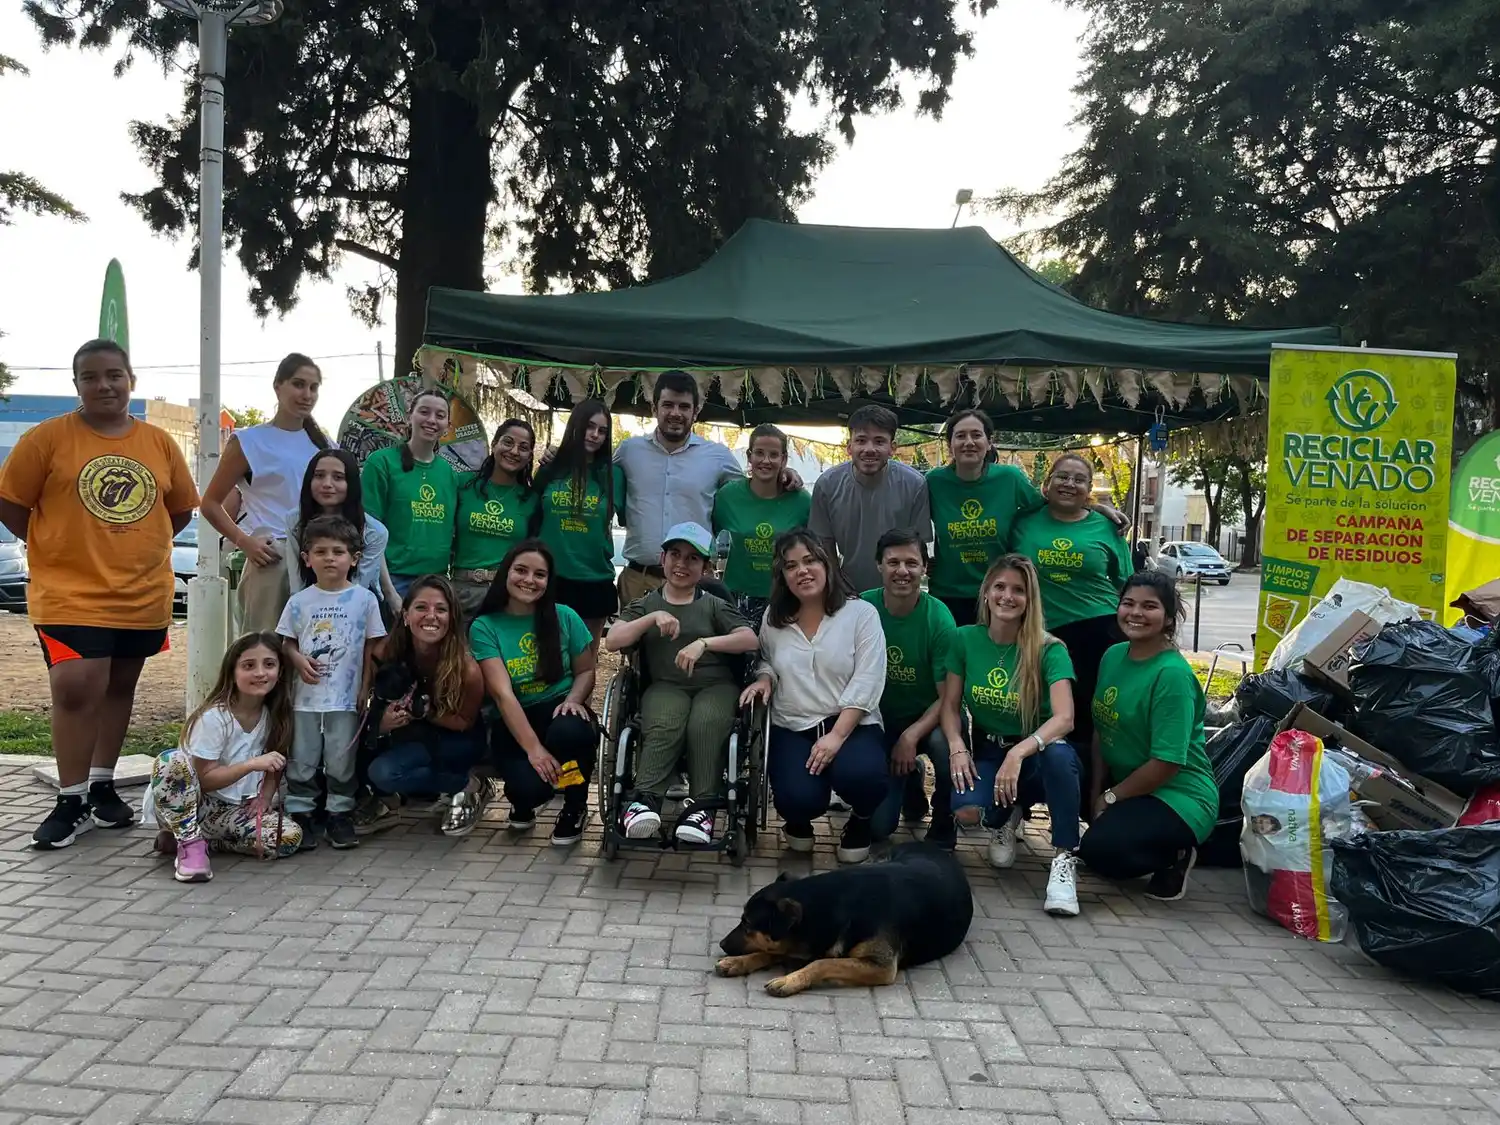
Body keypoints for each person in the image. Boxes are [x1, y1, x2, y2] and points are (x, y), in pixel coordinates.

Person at [0, 339, 199, 849]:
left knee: (117, 687)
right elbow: (12, 503)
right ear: (77, 386)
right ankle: (71, 800)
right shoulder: (47, 439)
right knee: (74, 686)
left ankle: (103, 787)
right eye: (91, 377)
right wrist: (56, 543)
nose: (104, 384)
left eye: (114, 374)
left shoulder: (158, 443)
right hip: (69, 592)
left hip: (141, 594)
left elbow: (177, 510)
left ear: (130, 379)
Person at [939, 555, 1083, 915]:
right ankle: (1007, 815)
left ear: (1029, 600)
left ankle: (1065, 857)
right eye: (999, 587)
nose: (1007, 596)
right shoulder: (963, 639)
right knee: (969, 811)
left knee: (1060, 757)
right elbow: (950, 706)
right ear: (986, 592)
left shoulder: (1050, 648)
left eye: (1018, 590)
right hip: (990, 748)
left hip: (1038, 752)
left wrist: (1019, 753)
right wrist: (957, 746)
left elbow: (1065, 718)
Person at [741, 529, 888, 864]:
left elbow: (869, 677)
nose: (802, 571)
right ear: (783, 576)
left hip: (851, 721)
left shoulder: (860, 614)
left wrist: (836, 736)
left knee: (863, 777)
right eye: (791, 566)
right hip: (793, 724)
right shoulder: (773, 619)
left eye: (810, 561)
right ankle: (797, 818)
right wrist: (764, 677)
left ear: (828, 563)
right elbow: (765, 657)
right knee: (797, 798)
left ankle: (860, 821)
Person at [606, 522, 758, 845]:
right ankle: (643, 803)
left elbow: (749, 639)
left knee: (707, 722)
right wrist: (651, 619)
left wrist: (705, 643)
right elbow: (613, 641)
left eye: (692, 558)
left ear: (705, 567)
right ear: (662, 559)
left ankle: (702, 809)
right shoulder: (647, 603)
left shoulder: (713, 604)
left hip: (715, 686)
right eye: (675, 554)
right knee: (664, 716)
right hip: (665, 685)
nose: (681, 564)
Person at [1080, 570, 1218, 902]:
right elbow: (1102, 727)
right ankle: (1121, 828)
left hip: (1178, 795)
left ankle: (1176, 855)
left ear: (1169, 618)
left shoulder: (1172, 676)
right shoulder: (1113, 655)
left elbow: (1168, 763)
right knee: (1063, 764)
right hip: (1130, 784)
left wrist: (1109, 799)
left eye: (1149, 606)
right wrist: (1096, 790)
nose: (1136, 613)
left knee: (1100, 853)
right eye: (1128, 603)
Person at [614, 371, 802, 605]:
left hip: (695, 583)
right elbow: (588, 468)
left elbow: (754, 486)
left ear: (696, 411)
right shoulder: (628, 451)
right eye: (668, 405)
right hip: (638, 581)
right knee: (633, 642)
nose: (675, 413)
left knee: (698, 643)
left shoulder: (717, 456)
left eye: (684, 406)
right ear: (654, 408)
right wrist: (554, 457)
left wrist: (782, 473)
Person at [143, 633, 303, 879]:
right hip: (192, 805)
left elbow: (276, 763)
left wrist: (264, 798)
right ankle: (189, 841)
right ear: (232, 672)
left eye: (269, 664)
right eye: (249, 665)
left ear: (280, 672)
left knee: (288, 837)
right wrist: (250, 765)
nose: (260, 673)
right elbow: (204, 780)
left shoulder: (276, 716)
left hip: (230, 809)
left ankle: (209, 842)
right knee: (170, 761)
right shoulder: (214, 718)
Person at [471, 539, 599, 846]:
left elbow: (586, 671)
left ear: (548, 581)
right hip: (516, 716)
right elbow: (503, 695)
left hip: (558, 708)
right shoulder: (484, 626)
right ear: (506, 573)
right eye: (521, 570)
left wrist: (572, 700)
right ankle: (524, 801)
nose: (529, 580)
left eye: (539, 574)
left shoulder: (565, 616)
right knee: (530, 790)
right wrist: (534, 750)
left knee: (571, 731)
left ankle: (574, 806)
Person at [1008, 453, 1132, 759]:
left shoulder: (1106, 527)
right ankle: (1026, 790)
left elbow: (1127, 583)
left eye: (1079, 480)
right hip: (1041, 633)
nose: (1069, 483)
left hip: (1099, 631)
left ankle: (1090, 794)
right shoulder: (1023, 521)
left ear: (1089, 489)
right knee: (1038, 712)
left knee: (1093, 716)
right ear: (1046, 484)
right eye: (1062, 476)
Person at [275, 515, 387, 850]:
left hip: (344, 698)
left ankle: (339, 813)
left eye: (338, 551)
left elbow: (372, 647)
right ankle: (302, 815)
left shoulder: (364, 600)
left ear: (354, 558)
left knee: (341, 759)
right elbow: (287, 642)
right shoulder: (299, 602)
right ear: (307, 558)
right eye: (320, 551)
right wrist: (297, 660)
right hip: (304, 700)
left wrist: (365, 687)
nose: (329, 558)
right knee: (303, 758)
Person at [201, 353, 332, 633]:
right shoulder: (250, 442)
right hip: (272, 558)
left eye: (314, 387)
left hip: (319, 557)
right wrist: (244, 541)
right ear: (278, 386)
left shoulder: (324, 445)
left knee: (314, 650)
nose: (307, 394)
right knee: (264, 649)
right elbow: (210, 504)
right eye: (298, 384)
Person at [366, 576, 487, 836]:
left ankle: (469, 785)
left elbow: (464, 722)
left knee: (384, 772)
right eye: (421, 608)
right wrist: (380, 722)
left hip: (454, 736)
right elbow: (367, 700)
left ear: (452, 618)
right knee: (363, 752)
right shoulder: (386, 651)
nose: (431, 616)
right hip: (409, 733)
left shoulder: (466, 668)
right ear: (406, 615)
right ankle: (382, 801)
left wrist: (424, 712)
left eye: (441, 609)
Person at [859, 531, 959, 844]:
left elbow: (947, 698)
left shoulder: (939, 618)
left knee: (946, 745)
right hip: (877, 720)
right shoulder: (863, 608)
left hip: (928, 717)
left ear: (924, 568)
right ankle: (909, 779)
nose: (902, 570)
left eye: (911, 563)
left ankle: (944, 819)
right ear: (879, 566)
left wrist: (911, 736)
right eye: (893, 562)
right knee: (879, 829)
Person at [926, 409, 1043, 627]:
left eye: (976, 435)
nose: (968, 442)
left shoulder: (1010, 478)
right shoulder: (934, 482)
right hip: (948, 593)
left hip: (999, 593)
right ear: (949, 444)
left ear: (989, 442)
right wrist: (922, 557)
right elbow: (909, 520)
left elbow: (1048, 510)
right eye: (960, 436)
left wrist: (1096, 510)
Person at [809, 404, 930, 596]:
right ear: (849, 447)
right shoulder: (827, 485)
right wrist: (838, 582)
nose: (869, 449)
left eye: (879, 441)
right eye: (861, 440)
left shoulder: (914, 484)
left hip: (900, 590)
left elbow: (919, 546)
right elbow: (824, 543)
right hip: (848, 591)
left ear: (892, 448)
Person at [532, 401, 624, 647]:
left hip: (593, 581)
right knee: (546, 656)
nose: (595, 435)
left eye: (602, 430)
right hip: (550, 578)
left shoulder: (614, 475)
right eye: (589, 427)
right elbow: (532, 519)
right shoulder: (550, 469)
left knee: (584, 660)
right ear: (576, 426)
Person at [360, 388, 459, 597]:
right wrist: (388, 592)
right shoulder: (382, 463)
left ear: (447, 426)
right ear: (409, 417)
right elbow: (368, 531)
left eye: (440, 415)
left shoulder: (449, 473)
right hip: (394, 580)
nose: (431, 420)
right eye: (424, 412)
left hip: (437, 582)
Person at [712, 423, 811, 625]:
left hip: (785, 597)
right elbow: (713, 538)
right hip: (735, 598)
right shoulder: (727, 497)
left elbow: (813, 552)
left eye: (774, 455)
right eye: (759, 453)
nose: (766, 461)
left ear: (784, 459)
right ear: (749, 456)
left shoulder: (801, 501)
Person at [284, 449, 399, 612]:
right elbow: (296, 582)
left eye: (338, 477)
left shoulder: (374, 532)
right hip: (306, 603)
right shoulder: (294, 521)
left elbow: (359, 587)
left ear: (351, 483)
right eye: (319, 475)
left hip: (355, 607)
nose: (327, 484)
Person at [454, 419, 538, 618]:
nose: (515, 451)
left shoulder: (531, 499)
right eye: (508, 442)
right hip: (460, 591)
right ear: (494, 444)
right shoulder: (463, 484)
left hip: (506, 594)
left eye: (523, 447)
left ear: (529, 456)